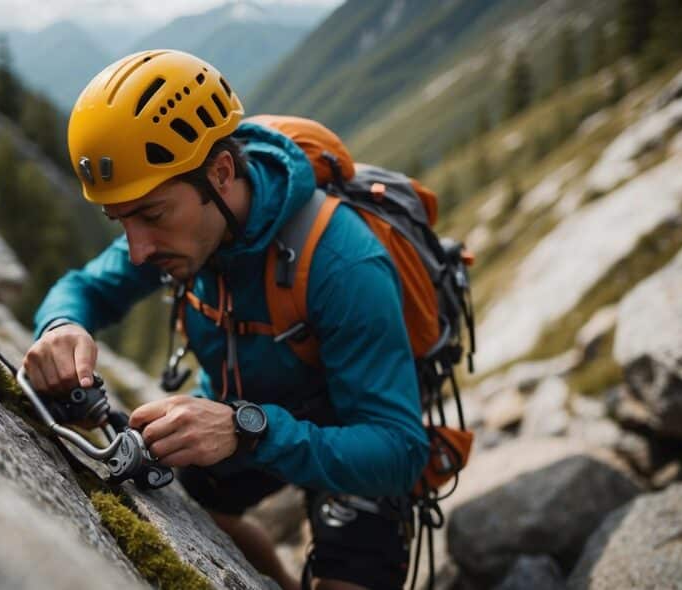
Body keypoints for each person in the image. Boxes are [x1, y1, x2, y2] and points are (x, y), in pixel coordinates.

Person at [23, 49, 430, 590]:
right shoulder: (187, 224)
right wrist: (62, 328)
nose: (138, 250)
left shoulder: (342, 263)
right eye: (120, 220)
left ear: (220, 173)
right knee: (192, 505)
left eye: (151, 214)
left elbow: (400, 450)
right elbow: (83, 288)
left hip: (351, 435)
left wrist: (245, 429)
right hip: (238, 423)